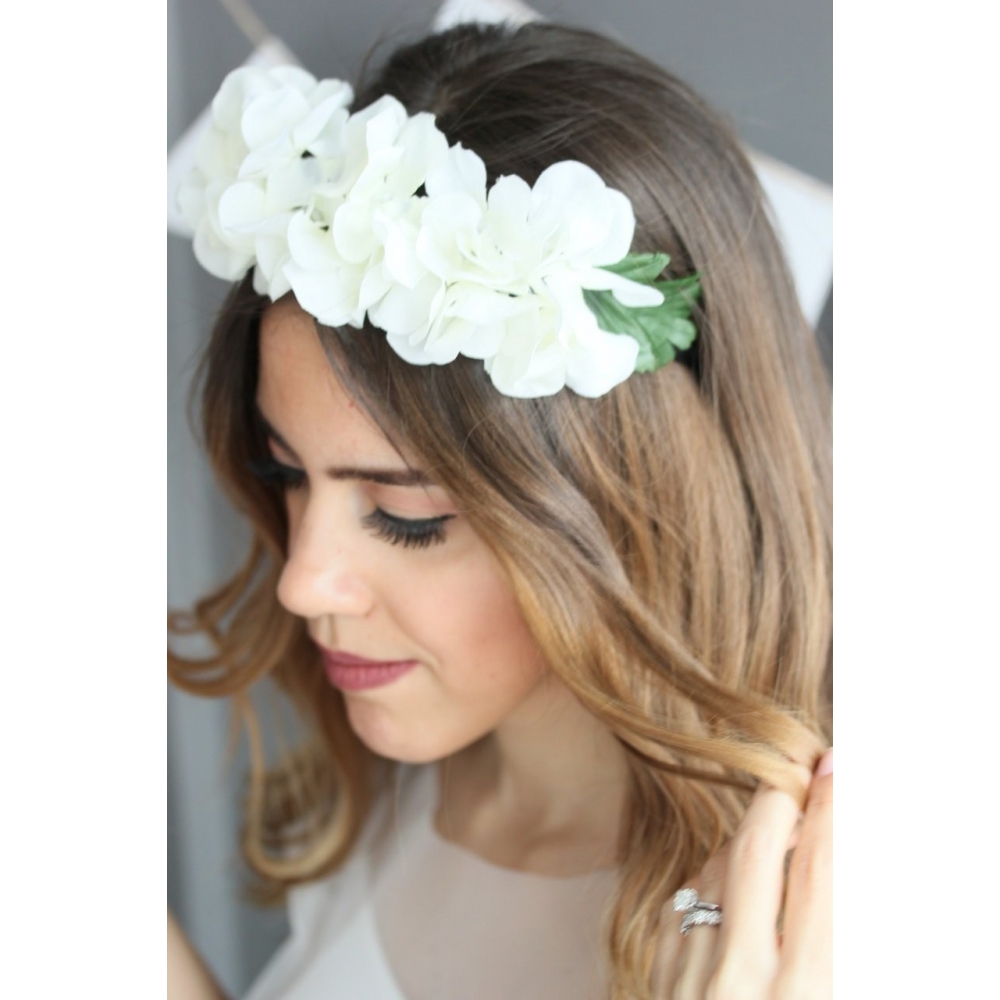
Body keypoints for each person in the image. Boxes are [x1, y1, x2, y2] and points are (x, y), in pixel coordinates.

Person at [168, 20, 832, 1000]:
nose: (302, 582)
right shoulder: (392, 779)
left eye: (406, 514)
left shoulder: (800, 922)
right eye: (286, 473)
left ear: (632, 501)